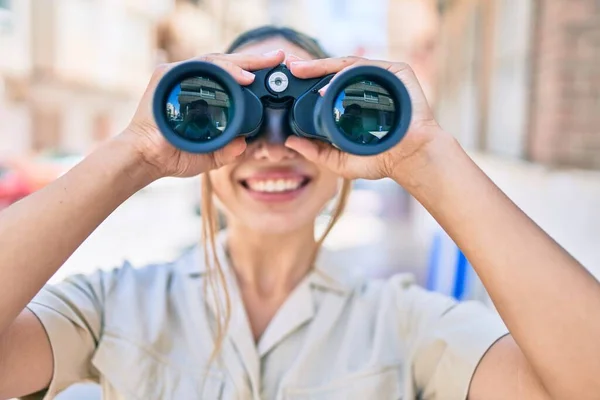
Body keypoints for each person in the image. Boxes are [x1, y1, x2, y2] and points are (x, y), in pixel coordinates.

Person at [1, 25, 599, 400]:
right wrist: (136, 153)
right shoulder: (112, 307)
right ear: (206, 153)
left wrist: (428, 157)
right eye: (234, 113)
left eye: (308, 118)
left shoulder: (405, 324)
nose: (275, 143)